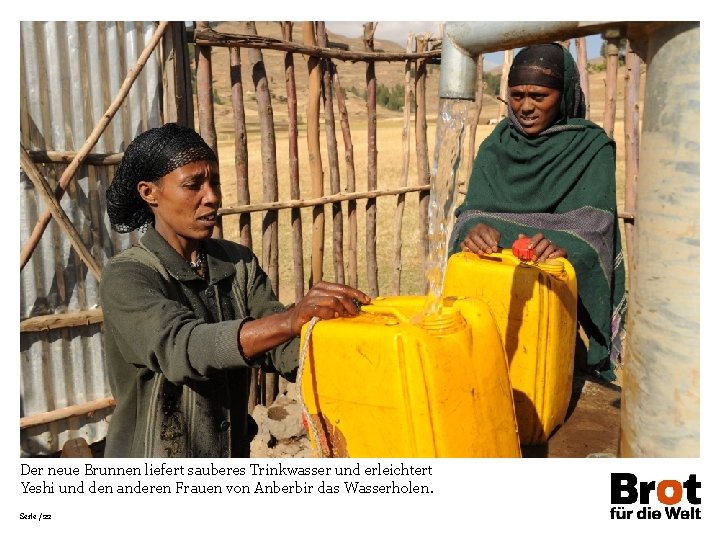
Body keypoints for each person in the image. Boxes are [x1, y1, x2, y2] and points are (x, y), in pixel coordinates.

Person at [100, 123, 370, 458]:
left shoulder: (236, 264)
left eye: (213, 183)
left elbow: (282, 350)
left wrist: (354, 346)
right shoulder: (128, 276)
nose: (211, 196)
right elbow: (183, 347)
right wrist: (290, 320)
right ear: (149, 193)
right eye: (193, 185)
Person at [449, 43, 626, 381]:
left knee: (546, 375)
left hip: (554, 310)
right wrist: (473, 232)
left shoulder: (591, 147)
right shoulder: (496, 145)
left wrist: (561, 247)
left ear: (565, 95)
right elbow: (470, 215)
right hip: (488, 305)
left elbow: (594, 230)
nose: (526, 107)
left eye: (539, 96)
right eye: (517, 96)